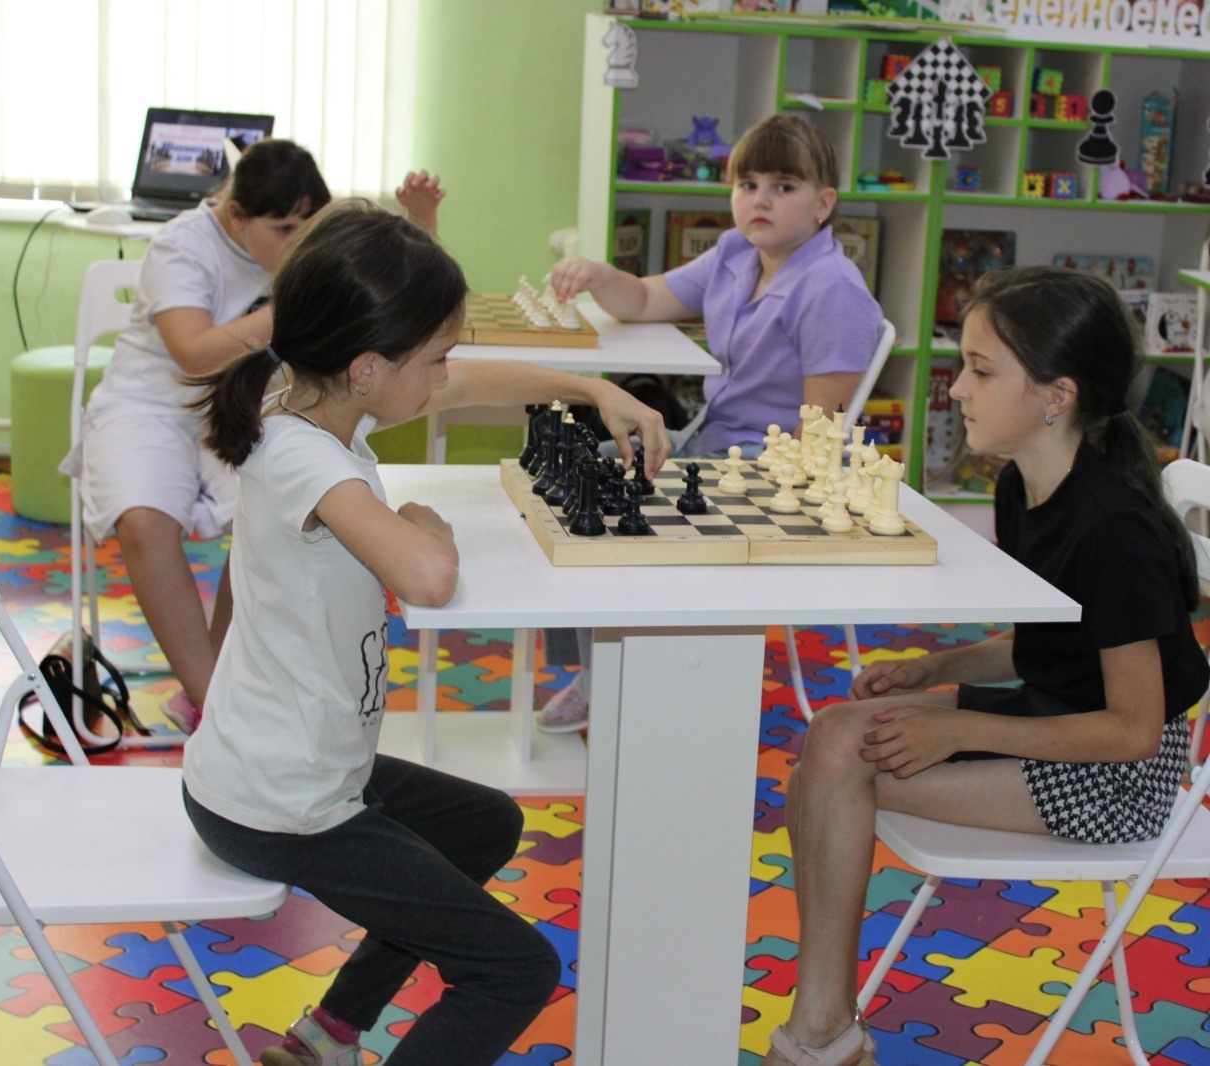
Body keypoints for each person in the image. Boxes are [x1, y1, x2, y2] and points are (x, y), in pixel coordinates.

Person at [180, 199, 669, 1066]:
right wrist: (421, 521)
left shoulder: (314, 401)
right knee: (517, 969)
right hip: (282, 802)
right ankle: (338, 1034)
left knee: (484, 824)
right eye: (434, 356)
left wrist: (591, 388)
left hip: (293, 763)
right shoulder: (302, 455)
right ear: (369, 367)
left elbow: (469, 384)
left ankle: (329, 1033)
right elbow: (427, 577)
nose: (446, 373)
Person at [764, 266, 1208, 1066]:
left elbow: (1135, 730)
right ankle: (825, 1022)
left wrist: (958, 726)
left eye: (981, 370)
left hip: (1119, 780)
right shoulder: (1021, 486)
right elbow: (1056, 642)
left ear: (1056, 395)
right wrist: (936, 667)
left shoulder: (1115, 533)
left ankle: (822, 1028)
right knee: (832, 735)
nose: (958, 390)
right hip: (1052, 719)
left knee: (830, 772)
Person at [75, 136, 445, 732]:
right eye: (282, 229)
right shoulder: (180, 246)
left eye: (306, 227)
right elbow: (193, 355)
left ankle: (223, 682)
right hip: (150, 405)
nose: (295, 242)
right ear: (235, 215)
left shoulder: (300, 251)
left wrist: (421, 223)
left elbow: (402, 298)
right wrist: (300, 302)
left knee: (266, 511)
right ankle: (213, 705)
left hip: (245, 403)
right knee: (144, 523)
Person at [539, 114, 883, 733]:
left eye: (783, 186)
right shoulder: (736, 254)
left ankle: (622, 677)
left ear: (824, 204)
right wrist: (598, 275)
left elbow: (818, 437)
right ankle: (596, 669)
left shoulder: (832, 288)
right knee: (571, 475)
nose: (760, 200)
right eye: (747, 184)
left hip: (767, 469)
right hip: (711, 438)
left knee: (613, 500)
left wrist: (731, 488)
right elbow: (645, 300)